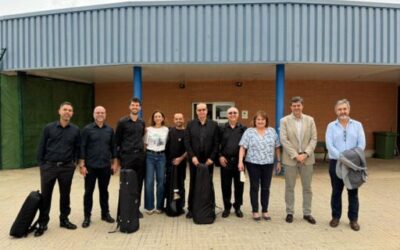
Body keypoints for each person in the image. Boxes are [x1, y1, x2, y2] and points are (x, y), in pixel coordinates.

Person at [35, 101, 80, 237]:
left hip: (67, 167)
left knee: (65, 195)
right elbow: (41, 147)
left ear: (72, 113)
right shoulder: (48, 128)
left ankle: (64, 219)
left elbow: (78, 148)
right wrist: (42, 165)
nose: (67, 112)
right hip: (49, 167)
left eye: (70, 110)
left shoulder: (76, 130)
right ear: (59, 111)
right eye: (65, 109)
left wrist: (74, 163)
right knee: (46, 196)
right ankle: (43, 223)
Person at [326, 99, 366, 231]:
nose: (342, 111)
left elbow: (361, 144)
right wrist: (342, 157)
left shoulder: (357, 125)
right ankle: (335, 217)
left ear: (349, 110)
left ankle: (353, 220)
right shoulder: (331, 126)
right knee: (336, 192)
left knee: (353, 192)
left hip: (353, 164)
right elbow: (330, 145)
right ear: (335, 111)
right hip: (336, 163)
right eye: (340, 109)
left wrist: (351, 158)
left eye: (345, 109)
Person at [280, 96, 318, 224]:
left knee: (307, 188)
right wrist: (296, 155)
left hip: (307, 159)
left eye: (299, 105)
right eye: (294, 105)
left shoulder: (310, 120)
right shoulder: (284, 120)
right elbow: (284, 140)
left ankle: (307, 213)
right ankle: (290, 212)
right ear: (291, 107)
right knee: (289, 187)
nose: (296, 107)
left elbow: (313, 139)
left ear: (302, 106)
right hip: (291, 159)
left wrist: (305, 154)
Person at [238, 110, 281, 221]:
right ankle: (255, 211)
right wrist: (240, 161)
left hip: (268, 164)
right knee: (254, 187)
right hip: (252, 164)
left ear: (266, 121)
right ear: (255, 121)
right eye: (258, 119)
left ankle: (265, 210)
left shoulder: (271, 131)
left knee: (266, 188)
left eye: (263, 119)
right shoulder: (249, 131)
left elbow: (277, 147)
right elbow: (242, 147)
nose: (260, 121)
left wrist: (279, 162)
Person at [79, 106, 116, 228]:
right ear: (94, 114)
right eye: (98, 112)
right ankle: (87, 217)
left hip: (105, 166)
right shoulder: (87, 129)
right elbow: (82, 147)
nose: (100, 114)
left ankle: (105, 214)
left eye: (102, 112)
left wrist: (115, 163)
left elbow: (113, 148)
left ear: (105, 114)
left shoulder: (110, 130)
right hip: (90, 167)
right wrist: (82, 165)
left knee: (104, 191)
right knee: (88, 192)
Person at [184, 103, 219, 219]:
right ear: (196, 111)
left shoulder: (214, 125)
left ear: (207, 111)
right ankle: (191, 209)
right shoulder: (190, 124)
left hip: (208, 161)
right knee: (193, 183)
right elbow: (187, 143)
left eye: (203, 109)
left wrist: (211, 158)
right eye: (199, 110)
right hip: (195, 160)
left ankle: (210, 207)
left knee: (208, 184)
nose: (202, 112)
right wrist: (192, 157)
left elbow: (216, 144)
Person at [114, 97, 146, 218]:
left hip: (139, 156)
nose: (135, 107)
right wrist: (116, 160)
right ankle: (122, 211)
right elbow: (117, 141)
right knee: (126, 184)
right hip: (127, 156)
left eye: (137, 105)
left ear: (140, 108)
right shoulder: (122, 122)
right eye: (133, 105)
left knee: (138, 184)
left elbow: (142, 137)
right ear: (129, 107)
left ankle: (135, 209)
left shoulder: (141, 122)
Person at [218, 107, 246, 218]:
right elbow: (216, 144)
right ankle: (227, 207)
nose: (232, 114)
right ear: (227, 115)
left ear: (238, 115)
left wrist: (243, 161)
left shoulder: (243, 129)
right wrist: (219, 156)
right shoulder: (221, 128)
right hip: (225, 162)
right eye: (230, 113)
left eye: (235, 112)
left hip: (240, 163)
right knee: (225, 186)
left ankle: (238, 207)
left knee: (240, 186)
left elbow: (246, 146)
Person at [144, 110, 169, 214]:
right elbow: (145, 144)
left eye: (159, 116)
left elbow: (167, 143)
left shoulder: (166, 129)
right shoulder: (148, 130)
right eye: (156, 116)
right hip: (149, 156)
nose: (158, 118)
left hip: (161, 157)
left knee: (161, 182)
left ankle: (159, 206)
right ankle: (149, 207)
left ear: (163, 118)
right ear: (153, 118)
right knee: (149, 182)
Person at [165, 113, 187, 214]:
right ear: (174, 120)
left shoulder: (187, 132)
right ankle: (170, 205)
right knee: (169, 184)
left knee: (180, 185)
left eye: (180, 119)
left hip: (181, 164)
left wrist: (180, 159)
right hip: (170, 164)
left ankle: (180, 206)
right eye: (176, 119)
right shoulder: (170, 131)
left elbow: (189, 149)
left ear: (183, 119)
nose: (178, 120)